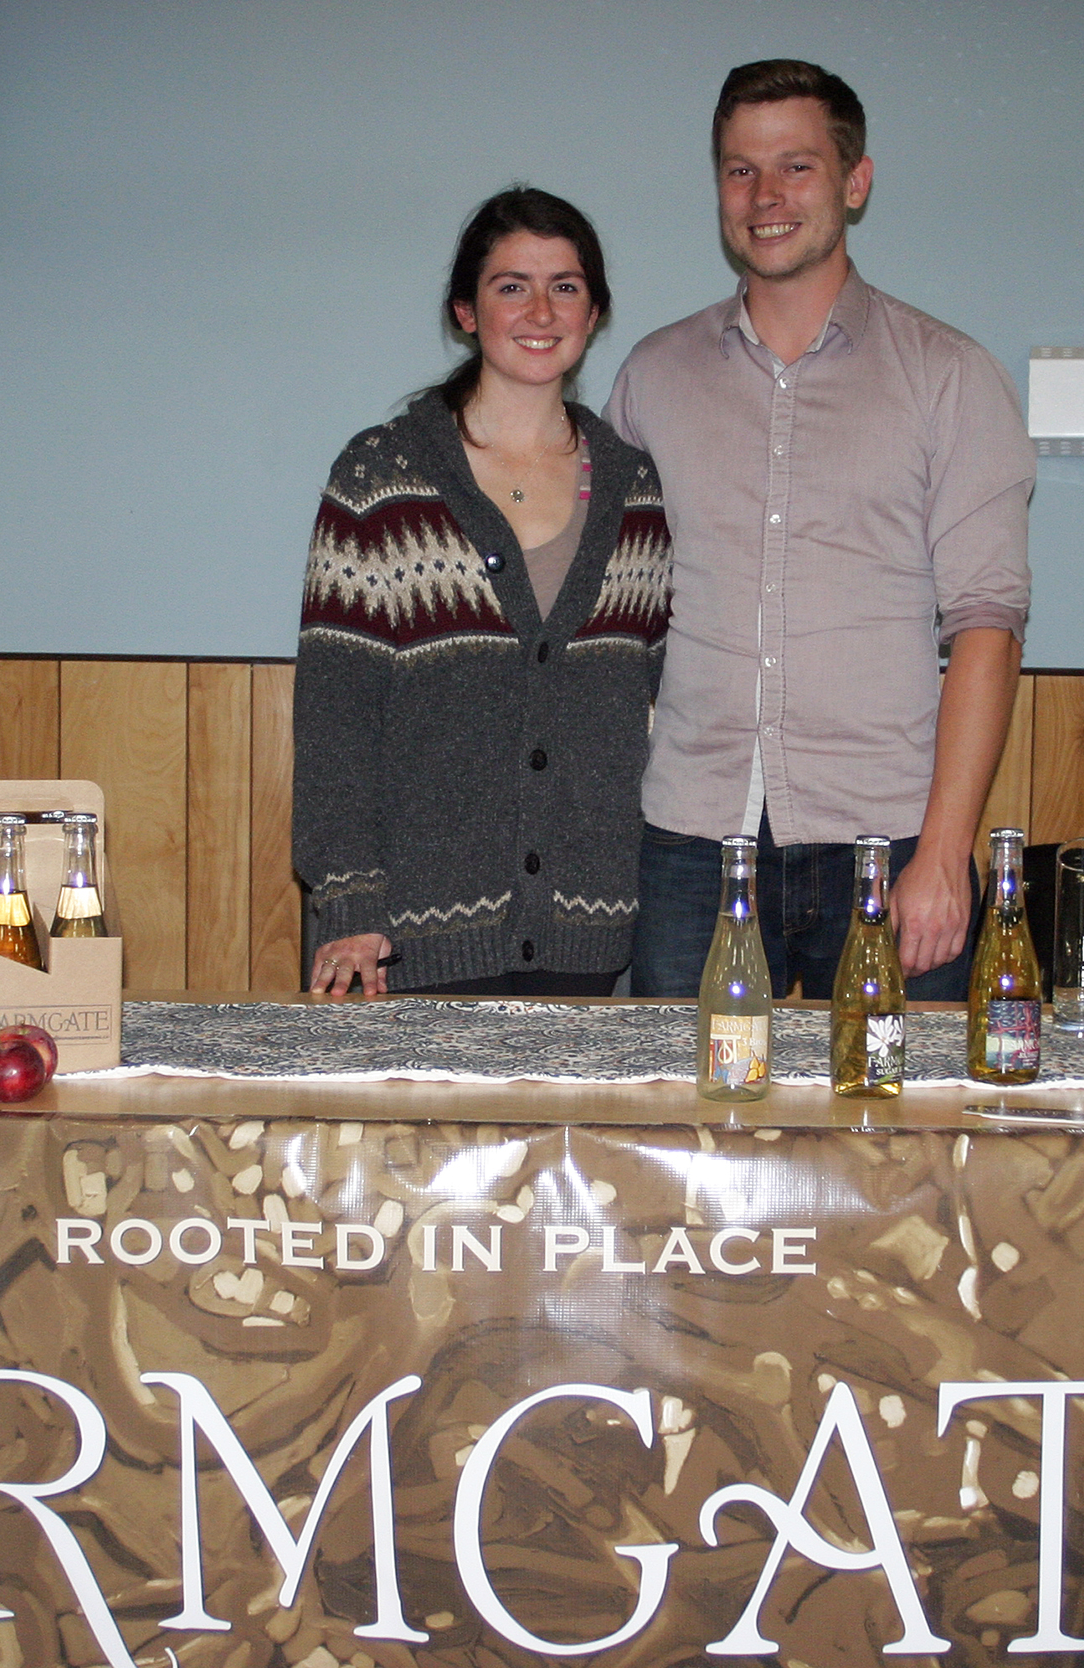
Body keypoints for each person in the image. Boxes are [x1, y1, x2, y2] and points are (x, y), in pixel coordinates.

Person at [607, 59, 1033, 1002]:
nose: (765, 197)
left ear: (855, 181)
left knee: (909, 1138)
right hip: (693, 844)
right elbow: (613, 608)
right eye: (739, 170)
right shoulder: (653, 377)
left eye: (796, 167)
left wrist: (947, 853)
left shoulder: (949, 377)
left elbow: (988, 629)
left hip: (888, 847)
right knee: (685, 1130)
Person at [294, 188, 673, 997]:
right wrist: (350, 901)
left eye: (566, 286)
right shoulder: (382, 480)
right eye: (512, 286)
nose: (541, 309)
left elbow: (654, 699)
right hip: (404, 941)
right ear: (466, 310)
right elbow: (336, 714)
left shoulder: (633, 489)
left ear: (595, 310)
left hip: (585, 932)